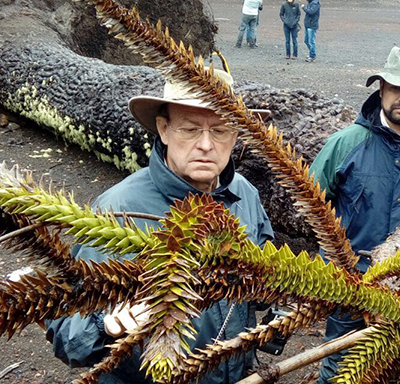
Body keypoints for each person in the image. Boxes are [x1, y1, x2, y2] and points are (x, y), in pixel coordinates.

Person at [46, 69, 274, 384]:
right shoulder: (119, 210)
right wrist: (105, 324)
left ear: (235, 136)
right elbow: (68, 337)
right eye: (191, 129)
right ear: (163, 130)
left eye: (220, 131)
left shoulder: (244, 195)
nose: (206, 145)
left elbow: (263, 289)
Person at [309, 46, 400, 384]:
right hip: (350, 287)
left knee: (397, 370)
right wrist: (334, 270)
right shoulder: (345, 144)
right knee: (339, 368)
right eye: (395, 88)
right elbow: (313, 205)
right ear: (381, 89)